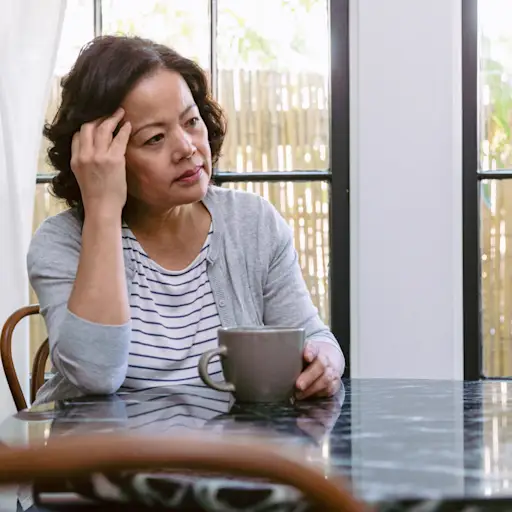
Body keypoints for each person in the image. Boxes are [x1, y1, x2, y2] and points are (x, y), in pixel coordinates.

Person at [28, 35, 345, 404]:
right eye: (154, 138)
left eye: (191, 121)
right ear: (101, 154)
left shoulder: (253, 222)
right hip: (104, 443)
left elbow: (314, 337)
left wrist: (325, 361)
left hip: (234, 441)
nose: (186, 147)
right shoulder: (61, 241)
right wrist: (102, 208)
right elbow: (93, 375)